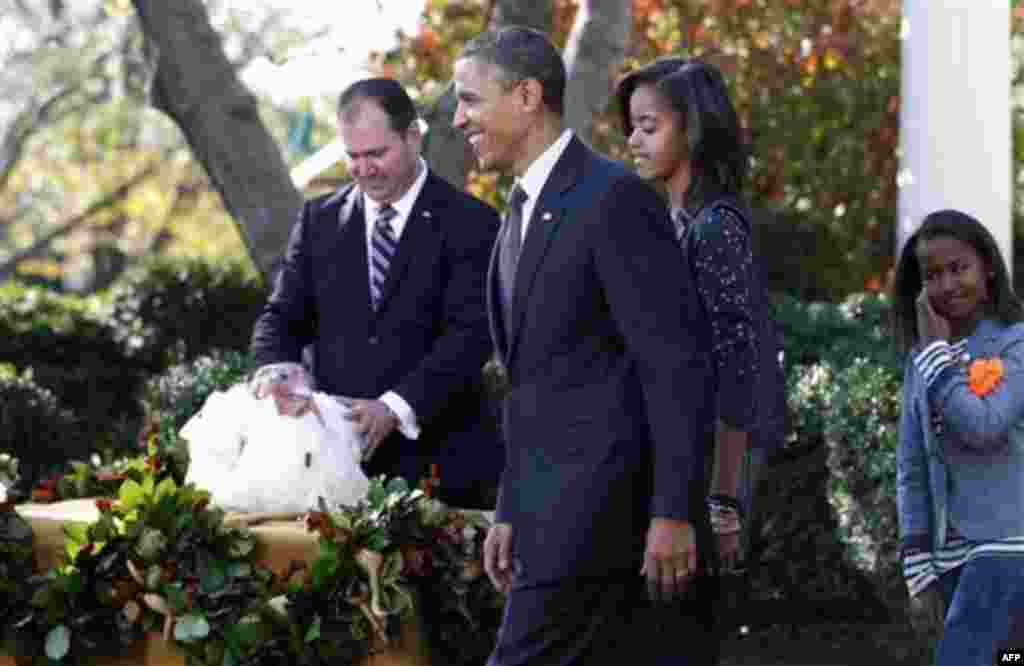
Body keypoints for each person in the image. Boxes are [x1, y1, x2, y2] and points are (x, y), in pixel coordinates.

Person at [453, 27, 718, 665]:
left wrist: (674, 512)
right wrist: (512, 505)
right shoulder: (517, 212)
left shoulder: (611, 198)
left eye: (469, 100)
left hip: (605, 526)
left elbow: (675, 363)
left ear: (525, 96)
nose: (459, 119)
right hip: (549, 524)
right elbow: (533, 383)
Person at [250, 77, 503, 509]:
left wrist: (395, 406)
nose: (364, 169)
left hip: (441, 468)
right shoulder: (319, 220)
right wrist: (275, 369)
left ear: (412, 138)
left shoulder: (471, 223)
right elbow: (283, 316)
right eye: (353, 156)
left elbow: (470, 336)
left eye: (377, 154)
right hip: (333, 472)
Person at [614, 58, 786, 590]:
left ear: (691, 130)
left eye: (649, 126)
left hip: (716, 464)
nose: (633, 141)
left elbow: (740, 365)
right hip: (680, 453)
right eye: (632, 127)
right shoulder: (672, 222)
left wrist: (725, 501)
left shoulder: (714, 227)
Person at [891, 209, 1024, 665]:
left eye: (958, 268)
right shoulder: (920, 361)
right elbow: (911, 465)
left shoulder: (1015, 343)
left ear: (986, 266)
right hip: (949, 559)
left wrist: (937, 358)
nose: (947, 285)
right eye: (932, 275)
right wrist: (918, 567)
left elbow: (985, 427)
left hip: (1006, 547)